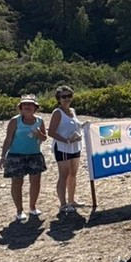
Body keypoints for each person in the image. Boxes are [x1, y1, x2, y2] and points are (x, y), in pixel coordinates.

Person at [0, 94, 47, 222]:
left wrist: (39, 134)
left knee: (35, 182)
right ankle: (19, 210)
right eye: (24, 104)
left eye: (30, 104)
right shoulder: (15, 121)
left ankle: (32, 207)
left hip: (35, 155)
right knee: (17, 182)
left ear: (35, 107)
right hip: (16, 156)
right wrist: (3, 156)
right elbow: (8, 138)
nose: (27, 107)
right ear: (21, 107)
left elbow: (44, 138)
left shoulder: (40, 121)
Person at [48, 85, 85, 216]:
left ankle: (72, 200)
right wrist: (66, 140)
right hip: (63, 147)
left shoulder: (73, 111)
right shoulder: (57, 113)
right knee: (63, 175)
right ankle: (63, 204)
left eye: (69, 96)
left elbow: (75, 126)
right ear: (58, 98)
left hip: (75, 146)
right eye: (64, 96)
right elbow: (51, 132)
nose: (67, 99)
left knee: (73, 174)